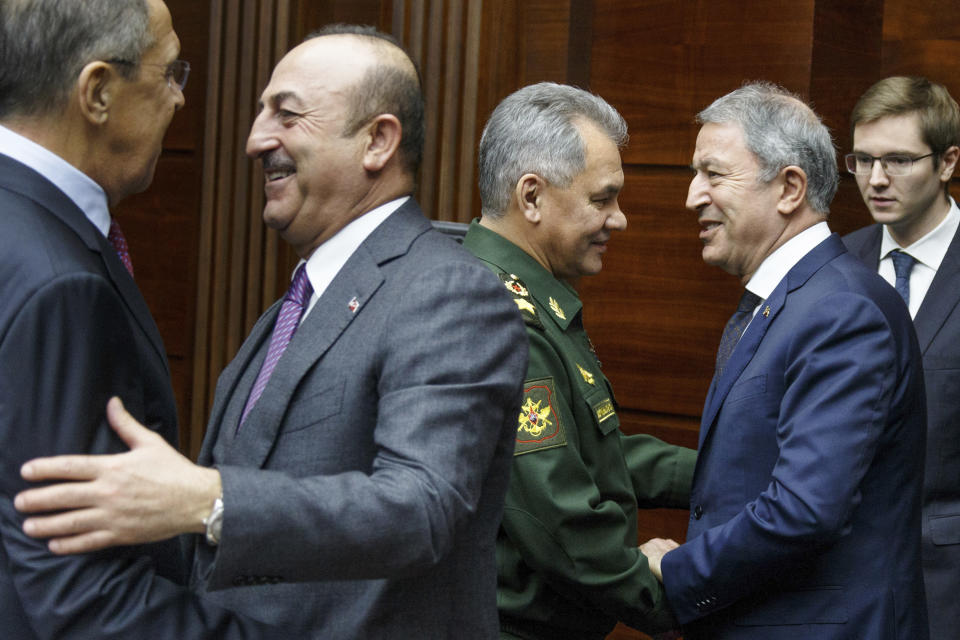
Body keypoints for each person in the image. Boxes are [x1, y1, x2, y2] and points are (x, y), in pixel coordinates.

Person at [14, 24, 529, 639]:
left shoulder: (448, 291)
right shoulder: (296, 304)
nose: (257, 139)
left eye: (286, 115)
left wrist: (207, 500)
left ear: (377, 141)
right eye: (261, 113)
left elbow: (422, 507)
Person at [0, 1, 283, 638]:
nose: (181, 99)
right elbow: (81, 595)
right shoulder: (60, 282)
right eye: (168, 73)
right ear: (97, 91)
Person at [644, 83, 928, 639]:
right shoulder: (790, 301)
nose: (692, 196)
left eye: (714, 174)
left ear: (789, 188)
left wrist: (676, 571)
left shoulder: (842, 311)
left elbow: (803, 511)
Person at [462, 81, 697, 639]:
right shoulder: (498, 317)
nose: (619, 219)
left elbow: (595, 454)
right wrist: (672, 595)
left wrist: (730, 468)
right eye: (602, 198)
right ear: (532, 196)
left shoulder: (519, 296)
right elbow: (560, 522)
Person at [842, 76, 960, 640]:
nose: (876, 179)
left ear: (947, 162)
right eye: (863, 160)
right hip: (839, 579)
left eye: (898, 160)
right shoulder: (835, 261)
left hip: (946, 583)